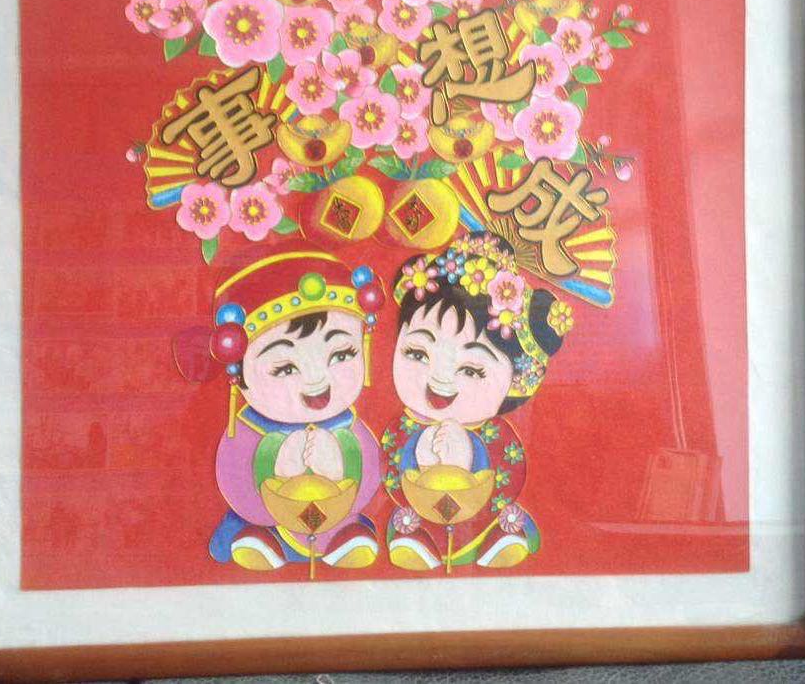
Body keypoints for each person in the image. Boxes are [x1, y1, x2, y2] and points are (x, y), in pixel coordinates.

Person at [176, 246, 385, 572]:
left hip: (335, 517)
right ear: (238, 372)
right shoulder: (247, 428)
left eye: (341, 354)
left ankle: (343, 543)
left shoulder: (348, 423)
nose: (317, 380)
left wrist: (341, 462)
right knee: (253, 531)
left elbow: (371, 472)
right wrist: (275, 465)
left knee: (348, 529)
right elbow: (235, 483)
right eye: (285, 368)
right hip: (267, 521)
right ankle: (264, 544)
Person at [380, 232, 571, 571]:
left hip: (482, 517)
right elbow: (393, 476)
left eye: (471, 369)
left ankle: (496, 542)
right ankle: (418, 543)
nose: (440, 379)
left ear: (514, 379)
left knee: (501, 526)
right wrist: (424, 460)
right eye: (417, 353)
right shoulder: (405, 428)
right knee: (409, 524)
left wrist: (466, 459)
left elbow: (507, 478)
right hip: (419, 512)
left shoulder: (495, 435)